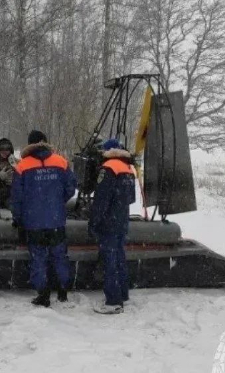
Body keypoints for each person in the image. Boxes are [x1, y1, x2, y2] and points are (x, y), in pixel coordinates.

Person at [12, 130, 77, 307]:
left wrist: (18, 217)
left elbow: (17, 197)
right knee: (59, 255)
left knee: (38, 257)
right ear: (45, 142)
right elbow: (71, 188)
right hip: (56, 220)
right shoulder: (60, 161)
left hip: (33, 222)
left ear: (29, 144)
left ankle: (43, 293)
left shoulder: (22, 166)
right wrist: (57, 201)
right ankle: (63, 289)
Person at [88, 138, 137, 315]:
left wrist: (93, 222)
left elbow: (101, 201)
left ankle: (113, 301)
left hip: (108, 222)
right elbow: (131, 198)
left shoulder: (108, 169)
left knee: (109, 261)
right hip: (122, 220)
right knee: (119, 258)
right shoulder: (128, 168)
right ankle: (123, 294)